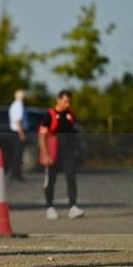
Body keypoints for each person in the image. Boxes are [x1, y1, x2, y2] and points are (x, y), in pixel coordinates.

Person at [38, 90, 84, 220]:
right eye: (65, 101)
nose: (67, 104)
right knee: (50, 180)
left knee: (71, 177)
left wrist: (76, 150)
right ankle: (50, 207)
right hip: (53, 153)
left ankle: (73, 207)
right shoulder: (50, 115)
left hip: (68, 152)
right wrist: (45, 154)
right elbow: (42, 135)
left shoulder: (70, 115)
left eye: (69, 101)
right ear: (58, 100)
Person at [8, 89, 28, 181]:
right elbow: (18, 120)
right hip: (18, 132)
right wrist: (22, 133)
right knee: (18, 154)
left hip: (15, 132)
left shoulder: (14, 104)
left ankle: (14, 174)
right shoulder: (19, 105)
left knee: (16, 153)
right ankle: (16, 174)